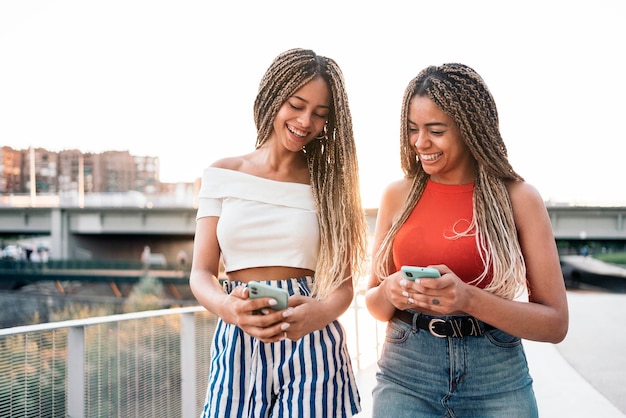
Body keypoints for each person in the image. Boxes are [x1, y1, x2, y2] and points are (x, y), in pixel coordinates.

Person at [365, 63, 569, 417]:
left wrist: (469, 299)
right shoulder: (397, 195)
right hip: (406, 370)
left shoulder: (519, 198)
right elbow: (375, 303)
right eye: (413, 129)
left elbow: (554, 323)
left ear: (470, 129)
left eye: (436, 130)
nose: (420, 142)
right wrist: (389, 291)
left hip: (497, 376)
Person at [189, 48, 368, 418]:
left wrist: (318, 314)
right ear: (273, 97)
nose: (306, 122)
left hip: (311, 339)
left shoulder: (331, 185)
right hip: (238, 334)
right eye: (296, 105)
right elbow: (201, 273)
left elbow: (344, 287)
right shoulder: (221, 174)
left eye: (320, 114)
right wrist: (228, 308)